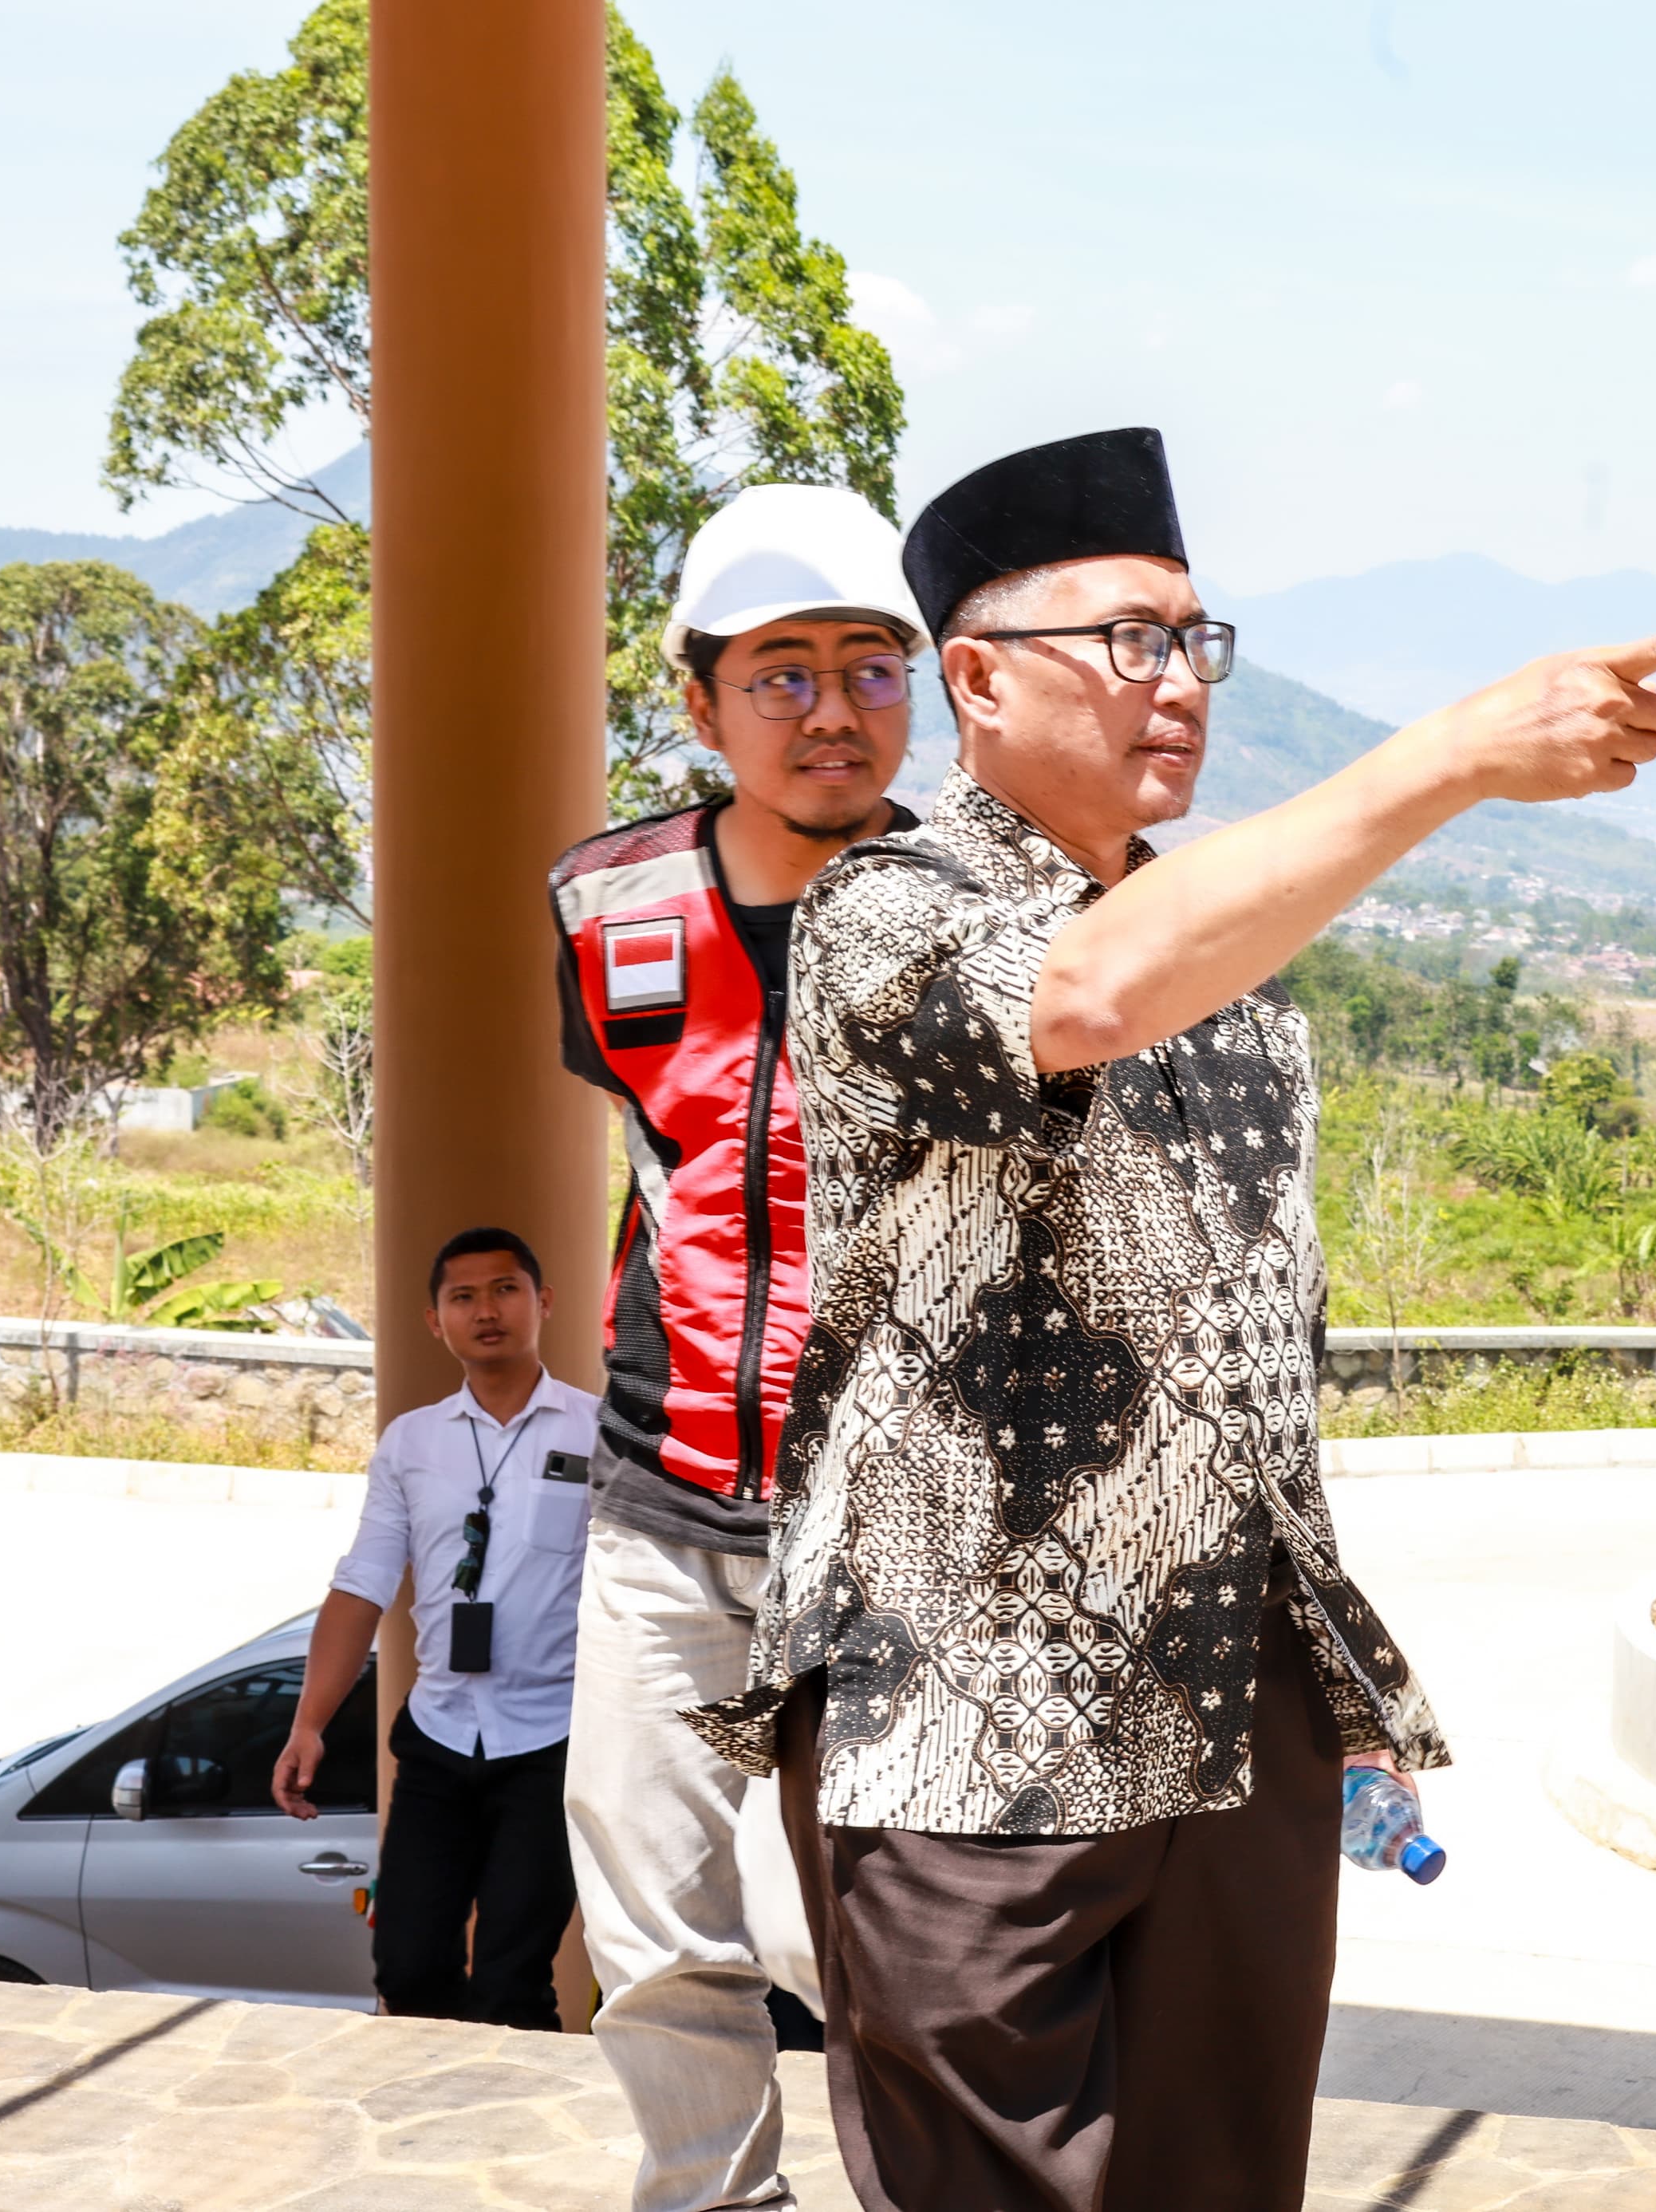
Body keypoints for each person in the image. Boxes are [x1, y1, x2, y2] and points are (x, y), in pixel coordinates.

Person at [680, 425, 1656, 2212]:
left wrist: (1339, 1674)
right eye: (1127, 640)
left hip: (1229, 1726)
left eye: (1194, 641)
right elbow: (1079, 993)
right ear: (978, 681)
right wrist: (1456, 756)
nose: (1175, 683)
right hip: (962, 1732)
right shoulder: (884, 911)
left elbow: (1248, 1375)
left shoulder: (1245, 1009)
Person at [548, 483, 929, 2212]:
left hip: (907, 1539)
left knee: (913, 1954)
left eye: (870, 666)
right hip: (661, 1503)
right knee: (650, 1927)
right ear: (698, 704)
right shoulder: (606, 910)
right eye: (781, 673)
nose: (831, 710)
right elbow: (660, 1160)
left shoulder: (983, 913)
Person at [276, 1226, 598, 2031]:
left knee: (512, 1979)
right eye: (463, 1297)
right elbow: (362, 1586)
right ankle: (439, 2108)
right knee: (408, 1965)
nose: (485, 1311)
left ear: (543, 1302)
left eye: (505, 1290)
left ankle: (506, 2142)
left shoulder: (600, 1434)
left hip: (551, 1746)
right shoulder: (412, 1442)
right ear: (435, 1320)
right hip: (439, 1736)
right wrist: (308, 1723)